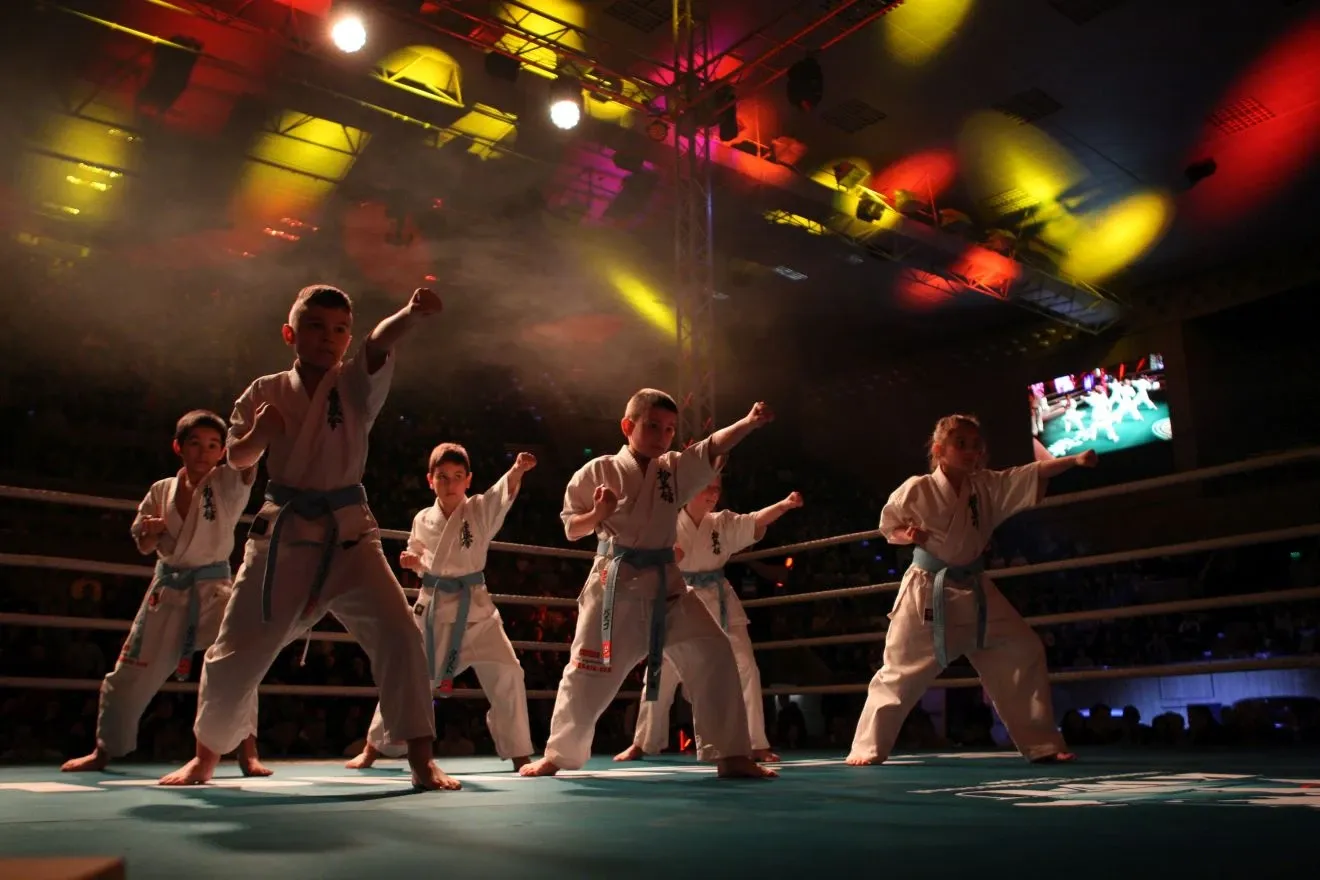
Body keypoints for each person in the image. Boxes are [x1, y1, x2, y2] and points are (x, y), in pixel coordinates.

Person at [160, 284, 456, 790]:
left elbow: (380, 343)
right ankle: (205, 757)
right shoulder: (265, 391)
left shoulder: (356, 383)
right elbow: (237, 457)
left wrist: (409, 313)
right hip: (284, 534)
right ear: (290, 334)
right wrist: (263, 431)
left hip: (349, 534)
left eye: (340, 329)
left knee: (401, 633)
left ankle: (421, 759)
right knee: (235, 648)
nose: (328, 337)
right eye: (315, 326)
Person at [520, 390, 778, 779]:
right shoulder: (598, 470)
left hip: (666, 586)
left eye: (670, 429)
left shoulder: (672, 469)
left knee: (714, 652)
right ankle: (558, 755)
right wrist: (599, 513)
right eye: (653, 426)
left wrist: (748, 422)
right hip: (615, 587)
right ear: (628, 426)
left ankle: (731, 755)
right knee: (586, 671)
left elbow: (711, 447)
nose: (662, 435)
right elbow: (572, 528)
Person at [847, 414, 1097, 767]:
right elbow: (890, 526)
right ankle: (867, 747)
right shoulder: (917, 488)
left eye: (976, 445)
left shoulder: (985, 486)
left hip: (977, 589)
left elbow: (1030, 473)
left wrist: (1074, 460)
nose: (971, 451)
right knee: (900, 669)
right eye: (960, 444)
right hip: (927, 589)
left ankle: (1041, 744)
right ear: (939, 450)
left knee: (1023, 649)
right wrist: (910, 535)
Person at [63, 410, 266, 775]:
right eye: (195, 443)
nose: (204, 452)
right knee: (129, 672)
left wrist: (255, 428)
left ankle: (247, 752)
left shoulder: (227, 482)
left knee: (235, 666)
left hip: (214, 591)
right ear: (178, 447)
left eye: (213, 445)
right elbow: (144, 544)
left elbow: (248, 463)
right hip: (167, 590)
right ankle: (105, 749)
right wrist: (152, 533)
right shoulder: (161, 490)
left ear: (222, 452)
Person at [346, 444, 537, 771]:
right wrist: (413, 561)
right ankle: (374, 746)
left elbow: (500, 494)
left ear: (468, 480)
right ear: (430, 480)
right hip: (435, 614)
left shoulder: (479, 510)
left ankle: (519, 751)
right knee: (411, 678)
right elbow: (417, 553)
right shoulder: (423, 518)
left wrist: (517, 470)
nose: (450, 484)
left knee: (509, 671)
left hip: (478, 612)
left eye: (458, 476)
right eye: (443, 477)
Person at [616, 477, 802, 763]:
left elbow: (754, 520)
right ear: (690, 489)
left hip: (720, 601)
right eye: (707, 488)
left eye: (717, 488)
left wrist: (784, 505)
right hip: (679, 596)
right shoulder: (667, 522)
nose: (714, 494)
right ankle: (643, 741)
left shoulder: (722, 522)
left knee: (746, 668)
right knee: (660, 670)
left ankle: (755, 742)